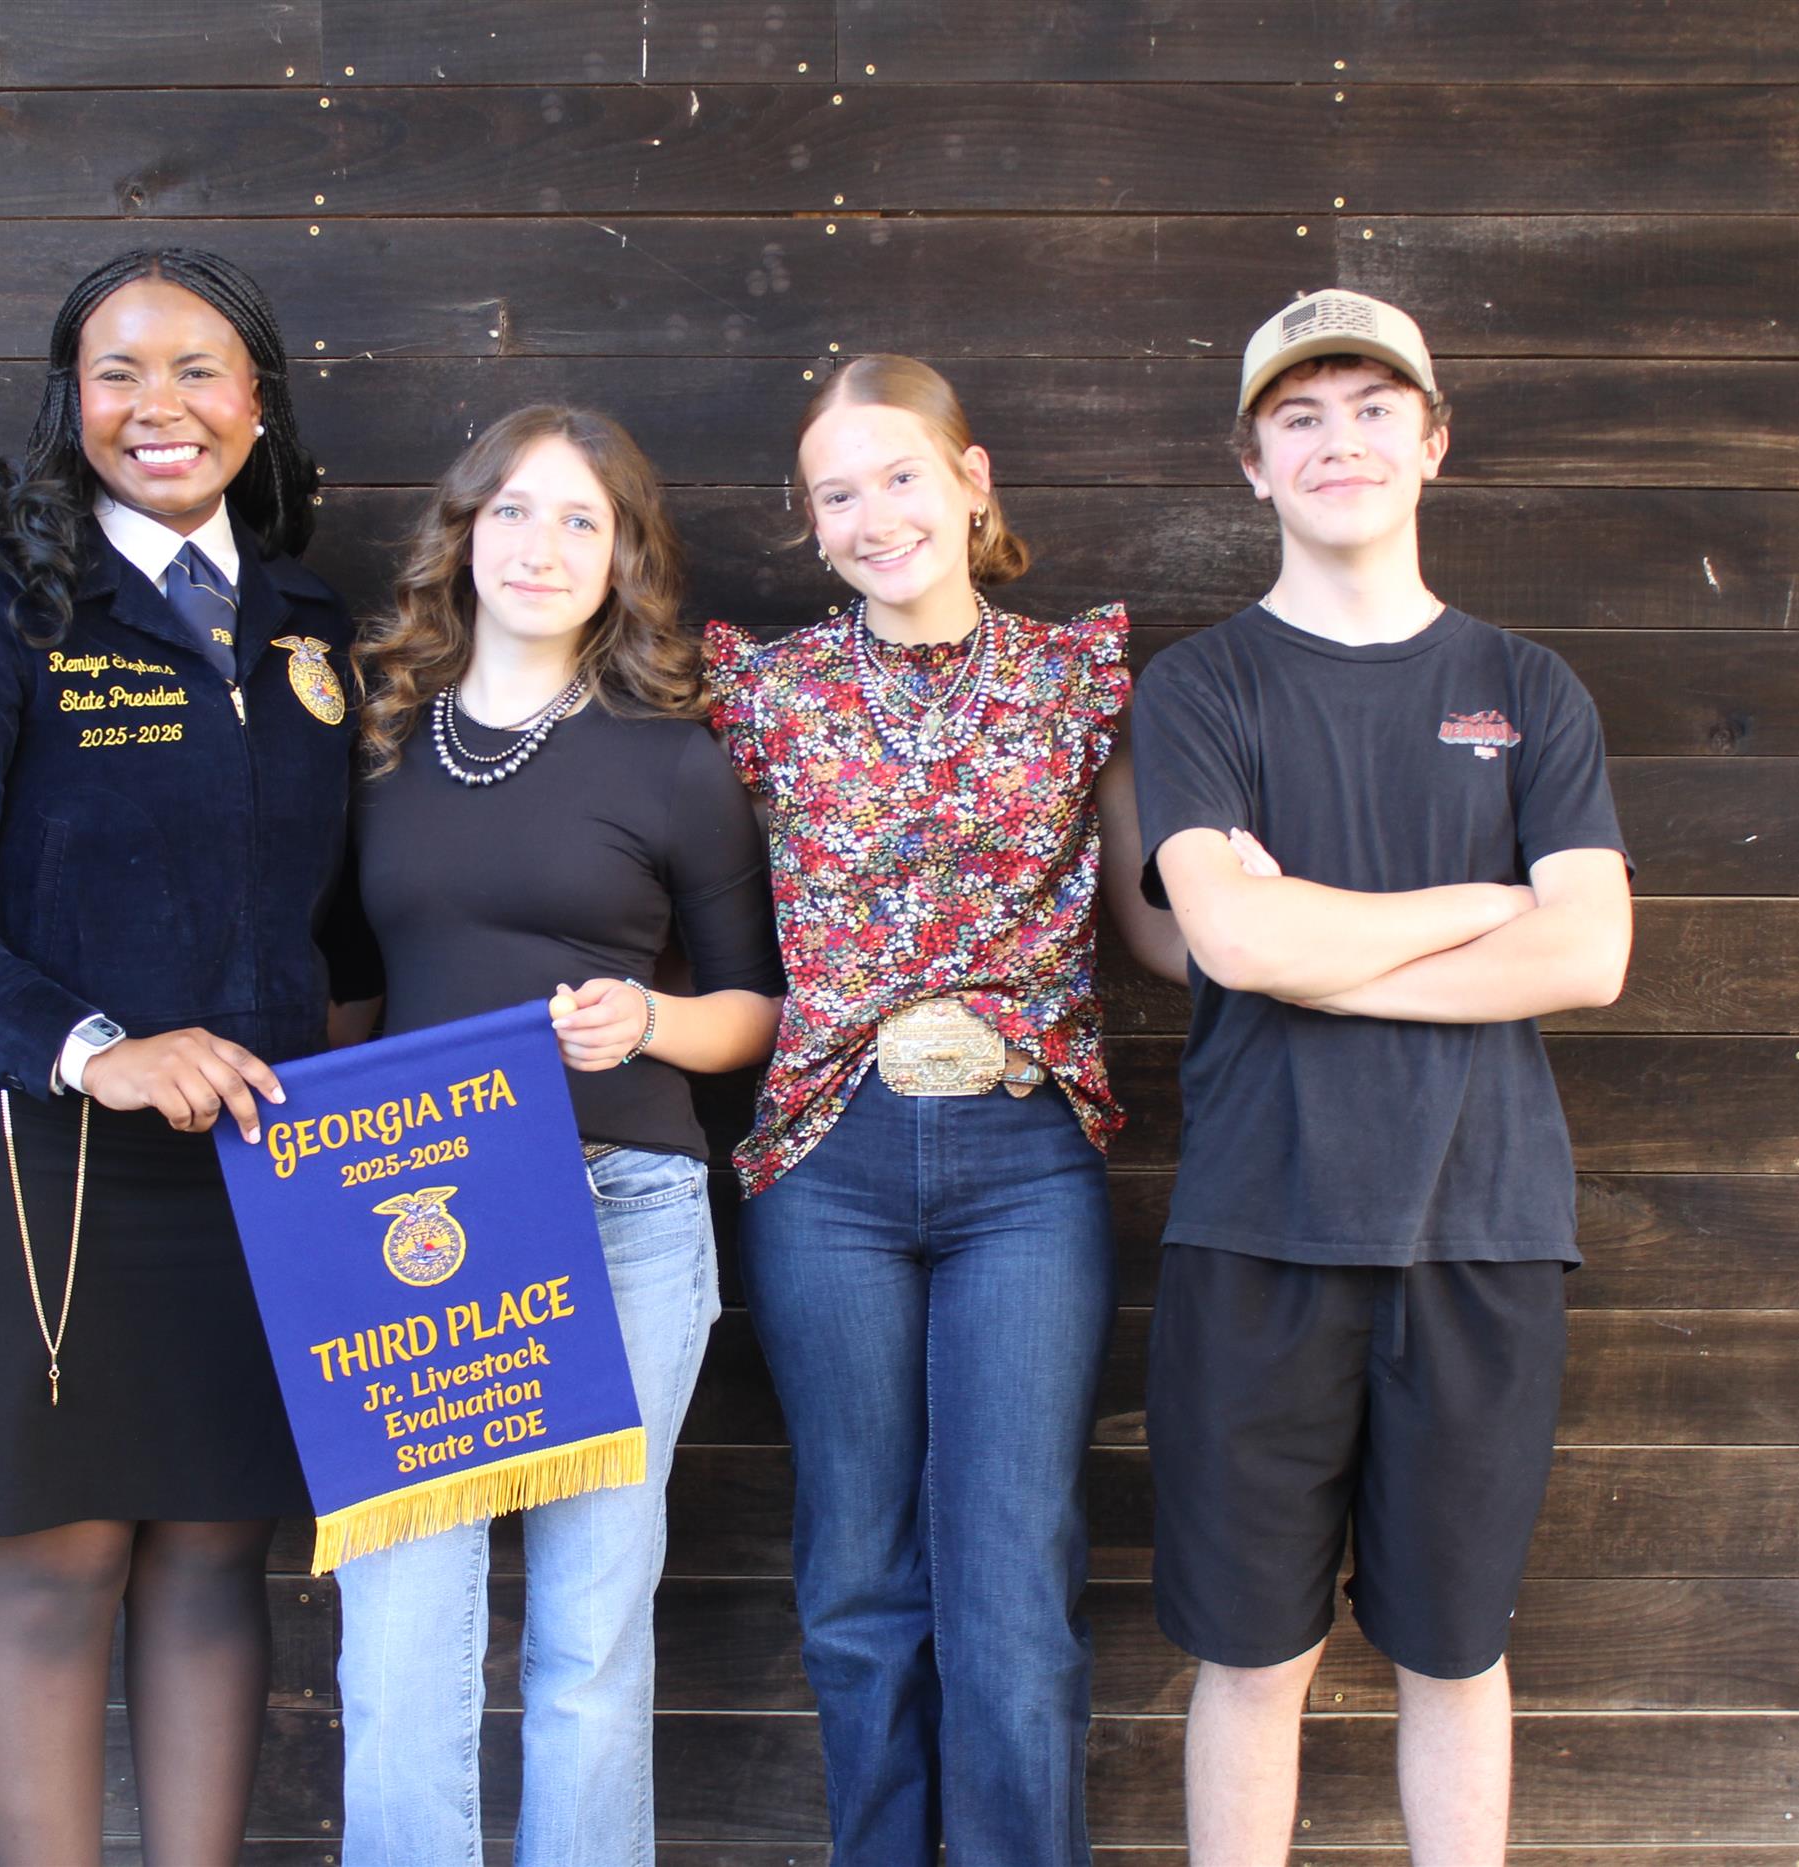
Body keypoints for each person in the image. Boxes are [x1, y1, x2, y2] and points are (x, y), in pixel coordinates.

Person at [0, 247, 371, 1867]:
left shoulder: (311, 627)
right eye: (117, 372)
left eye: (197, 369)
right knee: (54, 1571)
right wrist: (96, 1049)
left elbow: (340, 920)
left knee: (215, 1556)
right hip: (35, 1166)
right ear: (71, 403)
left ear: (257, 400)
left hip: (260, 1167)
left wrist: (380, 1110)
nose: (159, 406)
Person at [1130, 289, 1635, 1863]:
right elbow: (1227, 934)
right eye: (1299, 417)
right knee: (1251, 1662)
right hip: (1257, 1230)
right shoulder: (1201, 687)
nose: (1337, 442)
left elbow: (1588, 955)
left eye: (1371, 410)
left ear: (1433, 441)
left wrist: (1316, 945)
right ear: (1252, 464)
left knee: (1456, 1656)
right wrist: (1482, 904)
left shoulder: (1530, 687)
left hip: (1480, 1234)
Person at [704, 355, 1179, 1866]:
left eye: (900, 475)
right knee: (856, 1571)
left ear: (974, 481)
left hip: (1025, 1161)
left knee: (1012, 1574)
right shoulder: (761, 692)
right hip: (825, 1161)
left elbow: (1161, 928)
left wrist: (1321, 934)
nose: (872, 515)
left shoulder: (1078, 680)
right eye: (835, 494)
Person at [335, 404, 785, 1867]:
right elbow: (341, 989)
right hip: (416, 1218)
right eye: (514, 511)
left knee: (591, 1634)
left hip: (623, 1208)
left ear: (623, 556)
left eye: (581, 519)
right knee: (398, 1623)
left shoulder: (673, 765)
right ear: (463, 536)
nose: (541, 545)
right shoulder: (376, 743)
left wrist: (647, 1020)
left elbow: (755, 1010)